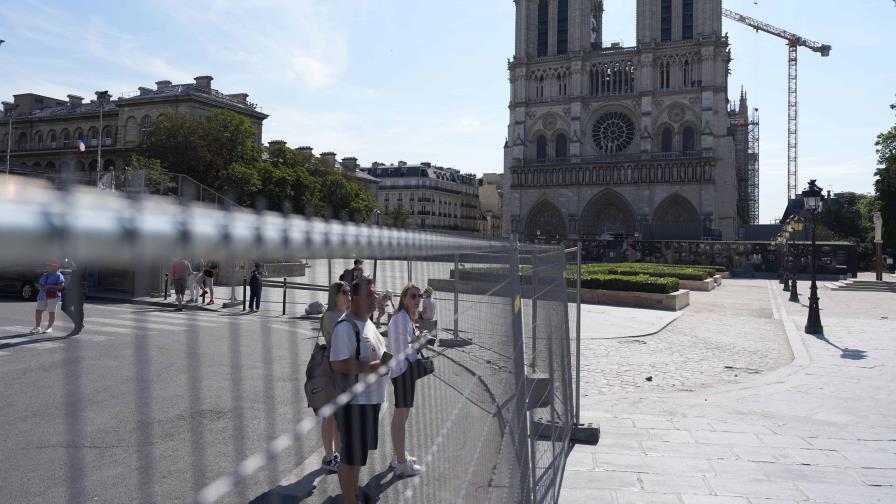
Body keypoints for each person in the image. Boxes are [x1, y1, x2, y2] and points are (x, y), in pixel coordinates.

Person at [330, 276, 387, 504]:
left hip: (370, 402)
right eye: (370, 294)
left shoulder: (369, 323)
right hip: (354, 403)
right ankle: (349, 500)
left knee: (358, 456)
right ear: (355, 300)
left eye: (374, 293)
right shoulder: (346, 327)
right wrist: (370, 367)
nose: (375, 298)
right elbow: (337, 362)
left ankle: (353, 493)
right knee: (350, 457)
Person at [387, 283, 424, 477]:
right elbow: (403, 348)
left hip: (404, 371)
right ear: (404, 298)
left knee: (402, 415)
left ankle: (397, 456)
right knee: (401, 416)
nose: (417, 299)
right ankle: (401, 463)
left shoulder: (406, 318)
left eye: (419, 296)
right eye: (413, 296)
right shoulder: (401, 319)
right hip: (402, 371)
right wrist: (419, 342)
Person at [317, 281, 351, 471]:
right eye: (344, 292)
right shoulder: (331, 316)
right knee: (329, 415)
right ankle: (329, 457)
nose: (348, 295)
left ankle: (337, 454)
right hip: (331, 371)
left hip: (342, 370)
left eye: (349, 292)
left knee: (337, 416)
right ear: (334, 296)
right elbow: (341, 340)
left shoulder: (344, 314)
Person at [31, 261, 65, 334]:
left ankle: (49, 327)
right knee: (39, 310)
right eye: (48, 265)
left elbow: (61, 285)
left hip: (53, 295)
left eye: (50, 266)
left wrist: (50, 286)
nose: (48, 267)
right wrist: (40, 287)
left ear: (56, 267)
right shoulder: (45, 274)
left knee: (51, 312)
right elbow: (40, 284)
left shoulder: (58, 275)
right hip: (42, 294)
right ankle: (38, 327)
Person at [61, 258, 87, 333]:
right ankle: (79, 323)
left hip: (80, 288)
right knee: (64, 307)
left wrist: (72, 265)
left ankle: (78, 328)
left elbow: (80, 272)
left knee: (78, 309)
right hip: (72, 288)